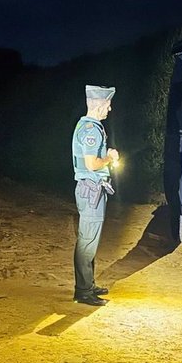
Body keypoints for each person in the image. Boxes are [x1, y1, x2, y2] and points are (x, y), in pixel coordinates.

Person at [72, 84, 120, 306]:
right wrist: (110, 158)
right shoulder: (91, 130)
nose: (109, 110)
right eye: (108, 105)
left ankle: (87, 285)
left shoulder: (88, 126)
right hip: (91, 188)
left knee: (89, 239)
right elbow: (92, 164)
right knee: (87, 241)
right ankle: (83, 291)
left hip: (91, 188)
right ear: (99, 104)